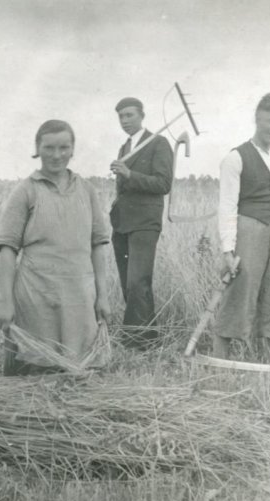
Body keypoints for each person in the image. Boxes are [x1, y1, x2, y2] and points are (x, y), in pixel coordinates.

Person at [0, 120, 111, 375]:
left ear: (72, 149)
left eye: (63, 148)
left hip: (79, 297)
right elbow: (7, 249)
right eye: (49, 148)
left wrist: (102, 295)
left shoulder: (87, 190)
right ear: (37, 149)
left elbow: (97, 246)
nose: (57, 155)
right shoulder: (25, 191)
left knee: (79, 377)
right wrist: (5, 301)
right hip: (37, 297)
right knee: (35, 376)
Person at [213, 92, 270, 363]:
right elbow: (227, 206)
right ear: (257, 119)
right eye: (269, 122)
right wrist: (227, 250)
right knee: (240, 290)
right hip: (249, 229)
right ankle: (221, 360)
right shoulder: (235, 158)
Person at [108, 97, 174, 347]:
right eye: (121, 116)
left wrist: (129, 173)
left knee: (138, 281)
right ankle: (147, 339)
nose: (125, 121)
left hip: (145, 222)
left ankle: (133, 342)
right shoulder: (124, 148)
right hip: (122, 222)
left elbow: (163, 184)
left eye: (129, 115)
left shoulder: (158, 143)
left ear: (142, 116)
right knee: (129, 284)